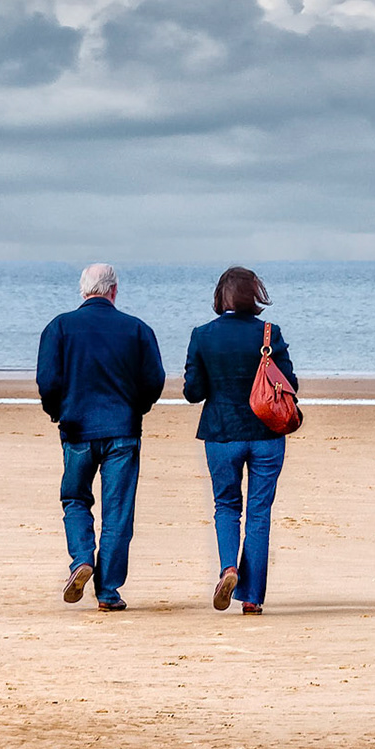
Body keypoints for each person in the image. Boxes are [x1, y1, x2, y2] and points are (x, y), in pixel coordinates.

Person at [36, 263, 166, 612]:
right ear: (114, 291)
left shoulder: (60, 327)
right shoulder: (136, 329)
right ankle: (107, 590)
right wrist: (135, 409)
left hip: (77, 428)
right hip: (122, 429)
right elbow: (154, 381)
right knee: (118, 512)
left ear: (83, 291)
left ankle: (81, 558)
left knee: (76, 499)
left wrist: (58, 412)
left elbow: (48, 381)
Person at [182, 266, 296, 614]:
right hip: (266, 432)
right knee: (259, 512)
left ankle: (229, 567)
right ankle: (251, 598)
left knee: (226, 506)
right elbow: (290, 383)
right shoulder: (268, 333)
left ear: (221, 297)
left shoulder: (202, 335)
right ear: (254, 295)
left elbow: (193, 392)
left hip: (221, 434)